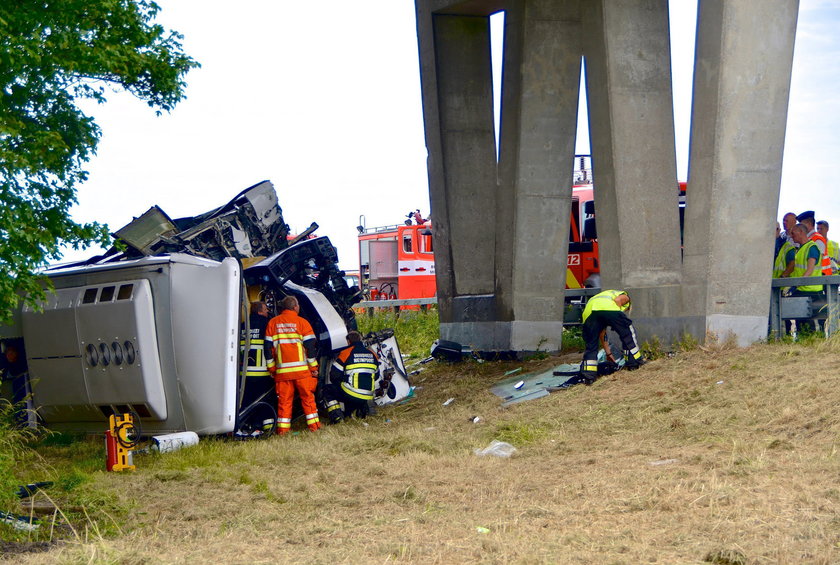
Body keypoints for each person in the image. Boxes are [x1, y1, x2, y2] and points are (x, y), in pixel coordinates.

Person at [265, 296, 321, 433]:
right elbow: (310, 348)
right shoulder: (302, 323)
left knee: (284, 402)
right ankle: (314, 427)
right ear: (295, 307)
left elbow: (267, 348)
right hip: (302, 372)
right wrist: (313, 367)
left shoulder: (272, 323)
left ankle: (283, 431)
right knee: (308, 399)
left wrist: (272, 368)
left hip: (282, 372)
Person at [577, 290, 644, 385]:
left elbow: (602, 334)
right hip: (609, 310)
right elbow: (618, 300)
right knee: (627, 334)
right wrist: (617, 318)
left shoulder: (601, 297)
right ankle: (634, 363)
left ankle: (589, 376)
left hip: (590, 314)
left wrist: (609, 354)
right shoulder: (625, 296)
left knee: (591, 344)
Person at [322, 331, 379, 423]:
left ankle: (337, 417)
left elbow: (334, 375)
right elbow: (376, 375)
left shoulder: (346, 353)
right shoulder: (372, 354)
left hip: (351, 393)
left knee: (327, 390)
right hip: (368, 394)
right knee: (351, 389)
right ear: (360, 339)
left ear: (348, 341)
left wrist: (343, 380)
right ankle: (360, 410)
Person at [239, 301, 275, 430]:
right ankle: (267, 426)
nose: (267, 312)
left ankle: (247, 425)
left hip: (245, 374)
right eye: (265, 309)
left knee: (247, 401)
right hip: (262, 372)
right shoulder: (267, 325)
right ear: (260, 311)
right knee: (265, 400)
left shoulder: (243, 326)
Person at [782, 224, 824, 333]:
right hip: (802, 290)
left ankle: (812, 345)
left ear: (800, 232)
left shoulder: (812, 248)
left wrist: (795, 285)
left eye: (793, 233)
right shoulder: (800, 249)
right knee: (800, 323)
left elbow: (809, 270)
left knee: (810, 324)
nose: (791, 236)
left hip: (811, 291)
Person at [796, 210, 832, 275]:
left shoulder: (818, 239)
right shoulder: (809, 238)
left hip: (821, 277)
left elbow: (816, 261)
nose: (799, 227)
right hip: (814, 278)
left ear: (809, 224)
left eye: (801, 224)